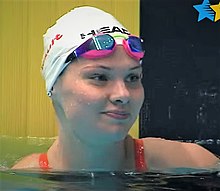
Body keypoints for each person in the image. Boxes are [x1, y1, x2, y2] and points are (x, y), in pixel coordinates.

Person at [12, 6, 219, 172]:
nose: (123, 94)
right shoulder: (22, 176)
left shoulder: (195, 163)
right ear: (53, 85)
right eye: (100, 77)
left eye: (132, 77)